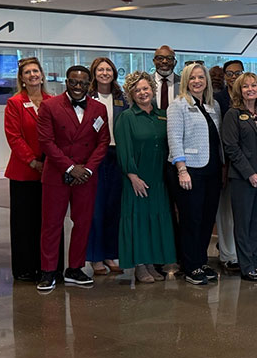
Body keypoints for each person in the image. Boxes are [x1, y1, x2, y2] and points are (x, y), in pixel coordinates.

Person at [36, 65, 110, 291]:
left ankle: (75, 268)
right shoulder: (49, 106)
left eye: (83, 83)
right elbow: (46, 142)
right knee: (51, 224)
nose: (78, 87)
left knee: (83, 222)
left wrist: (87, 169)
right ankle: (48, 271)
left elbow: (103, 142)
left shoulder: (98, 108)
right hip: (57, 174)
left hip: (86, 176)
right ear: (66, 82)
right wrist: (70, 168)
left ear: (90, 84)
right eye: (73, 82)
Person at [115, 71, 176, 283]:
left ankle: (151, 262)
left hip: (159, 178)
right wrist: (132, 175)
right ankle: (140, 265)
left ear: (152, 89)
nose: (142, 92)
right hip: (138, 178)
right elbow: (124, 149)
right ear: (131, 94)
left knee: (155, 220)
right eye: (137, 90)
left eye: (145, 88)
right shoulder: (127, 118)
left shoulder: (162, 115)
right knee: (138, 221)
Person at [167, 63, 222, 285]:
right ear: (186, 82)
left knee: (207, 219)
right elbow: (174, 138)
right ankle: (189, 265)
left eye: (201, 77)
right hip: (190, 170)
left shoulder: (212, 105)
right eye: (192, 78)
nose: (197, 81)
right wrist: (182, 169)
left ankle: (201, 262)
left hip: (212, 170)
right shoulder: (178, 105)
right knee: (191, 219)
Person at [222, 73, 257, 282]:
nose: (250, 89)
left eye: (253, 85)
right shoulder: (233, 114)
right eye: (245, 86)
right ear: (239, 90)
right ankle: (247, 267)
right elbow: (231, 148)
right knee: (244, 224)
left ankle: (255, 262)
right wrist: (250, 173)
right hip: (243, 178)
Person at [4, 57, 54, 282]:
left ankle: (49, 267)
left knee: (49, 222)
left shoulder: (53, 102)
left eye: (36, 71)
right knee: (25, 223)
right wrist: (33, 162)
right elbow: (14, 137)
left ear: (42, 75)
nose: (33, 75)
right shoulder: (14, 103)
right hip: (24, 172)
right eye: (28, 72)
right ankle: (25, 269)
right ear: (22, 79)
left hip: (51, 171)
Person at [86, 57, 128, 276]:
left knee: (114, 208)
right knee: (96, 209)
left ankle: (111, 254)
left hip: (117, 155)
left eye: (108, 69)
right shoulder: (87, 97)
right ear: (94, 73)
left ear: (114, 73)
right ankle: (95, 257)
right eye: (100, 69)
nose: (104, 73)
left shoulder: (122, 98)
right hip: (95, 157)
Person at [213, 59, 244, 273]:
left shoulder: (250, 97)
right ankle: (227, 254)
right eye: (230, 74)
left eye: (238, 73)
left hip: (248, 165)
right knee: (225, 212)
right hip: (225, 162)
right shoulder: (217, 100)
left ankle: (243, 251)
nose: (233, 77)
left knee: (242, 212)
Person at [153, 45, 181, 110]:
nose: (164, 61)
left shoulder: (184, 83)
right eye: (160, 58)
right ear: (154, 61)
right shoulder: (146, 82)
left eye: (169, 58)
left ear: (175, 62)